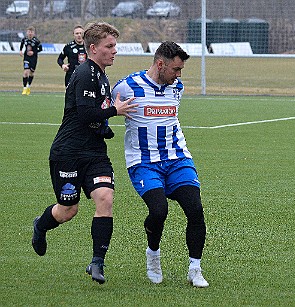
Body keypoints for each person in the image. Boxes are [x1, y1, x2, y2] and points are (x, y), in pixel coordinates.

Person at [31, 22, 138, 284]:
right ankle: (40, 225)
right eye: (109, 46)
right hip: (68, 152)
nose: (115, 51)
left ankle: (97, 262)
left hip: (94, 154)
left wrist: (104, 128)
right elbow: (85, 113)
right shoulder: (84, 73)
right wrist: (115, 111)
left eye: (115, 46)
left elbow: (93, 117)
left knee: (105, 198)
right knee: (68, 210)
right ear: (93, 48)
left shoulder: (101, 74)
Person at [112, 41, 209, 288]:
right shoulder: (126, 87)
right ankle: (153, 255)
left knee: (195, 210)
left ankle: (195, 269)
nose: (179, 75)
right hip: (143, 162)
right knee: (159, 211)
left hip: (177, 158)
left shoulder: (176, 87)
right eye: (176, 69)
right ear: (160, 64)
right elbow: (104, 110)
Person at [19, 26, 42, 95]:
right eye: (29, 32)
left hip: (34, 58)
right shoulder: (24, 39)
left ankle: (29, 86)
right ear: (27, 32)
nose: (30, 33)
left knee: (31, 73)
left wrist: (33, 52)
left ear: (34, 33)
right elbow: (22, 44)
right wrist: (20, 51)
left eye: (31, 32)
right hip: (26, 58)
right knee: (26, 72)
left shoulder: (36, 41)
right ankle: (24, 88)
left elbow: (40, 49)